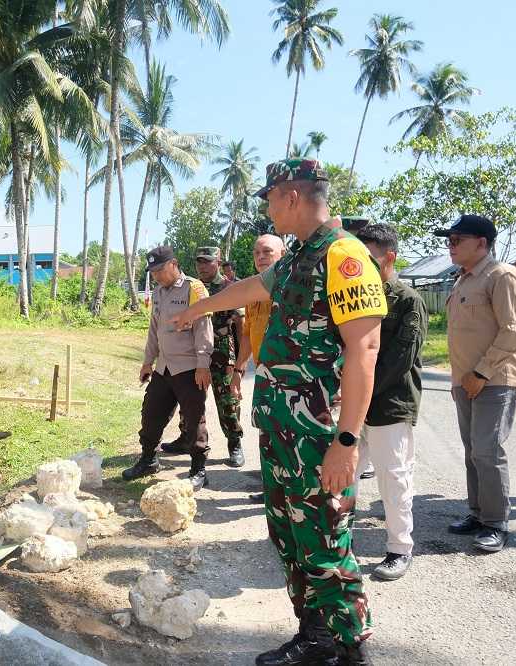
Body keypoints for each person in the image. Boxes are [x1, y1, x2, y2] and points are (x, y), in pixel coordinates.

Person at [172, 158, 384, 665]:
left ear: (291, 196)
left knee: (327, 540)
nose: (266, 208)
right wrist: (198, 309)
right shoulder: (299, 258)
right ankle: (316, 637)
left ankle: (349, 647)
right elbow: (252, 287)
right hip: (282, 430)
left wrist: (347, 441)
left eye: (269, 198)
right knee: (292, 535)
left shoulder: (345, 255)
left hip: (318, 434)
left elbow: (365, 349)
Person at [435, 214, 516, 553]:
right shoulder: (463, 280)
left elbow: (515, 331)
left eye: (457, 239)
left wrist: (481, 373)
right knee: (473, 451)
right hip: (466, 381)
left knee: (488, 450)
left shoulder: (502, 276)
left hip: (495, 380)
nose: (451, 246)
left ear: (482, 243)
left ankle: (495, 522)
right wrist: (464, 379)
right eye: (449, 239)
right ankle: (477, 514)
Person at [352, 223, 428, 581]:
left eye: (371, 259)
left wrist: (360, 392)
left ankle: (400, 549)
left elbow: (401, 358)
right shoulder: (359, 297)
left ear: (390, 257)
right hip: (356, 404)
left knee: (393, 478)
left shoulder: (407, 299)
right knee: (344, 471)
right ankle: (339, 538)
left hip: (390, 404)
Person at [123, 246, 214, 491]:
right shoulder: (158, 292)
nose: (156, 276)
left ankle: (199, 469)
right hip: (164, 368)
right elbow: (154, 330)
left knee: (194, 420)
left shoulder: (194, 288)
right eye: (152, 272)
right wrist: (147, 362)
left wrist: (203, 365)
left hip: (189, 367)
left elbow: (203, 328)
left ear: (173, 264)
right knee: (151, 414)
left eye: (159, 270)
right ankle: (149, 460)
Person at [162, 247, 244, 467]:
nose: (202, 266)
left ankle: (234, 442)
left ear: (217, 261)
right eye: (199, 262)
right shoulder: (192, 287)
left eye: (207, 262)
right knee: (188, 400)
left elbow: (240, 324)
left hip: (221, 354)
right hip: (194, 353)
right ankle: (185, 438)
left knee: (226, 401)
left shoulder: (229, 287)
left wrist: (239, 363)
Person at [231, 234, 285, 401]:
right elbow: (248, 334)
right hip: (264, 376)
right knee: (266, 427)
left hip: (294, 379)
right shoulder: (253, 292)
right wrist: (238, 371)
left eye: (267, 251)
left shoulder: (293, 287)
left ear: (283, 254)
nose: (260, 256)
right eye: (256, 253)